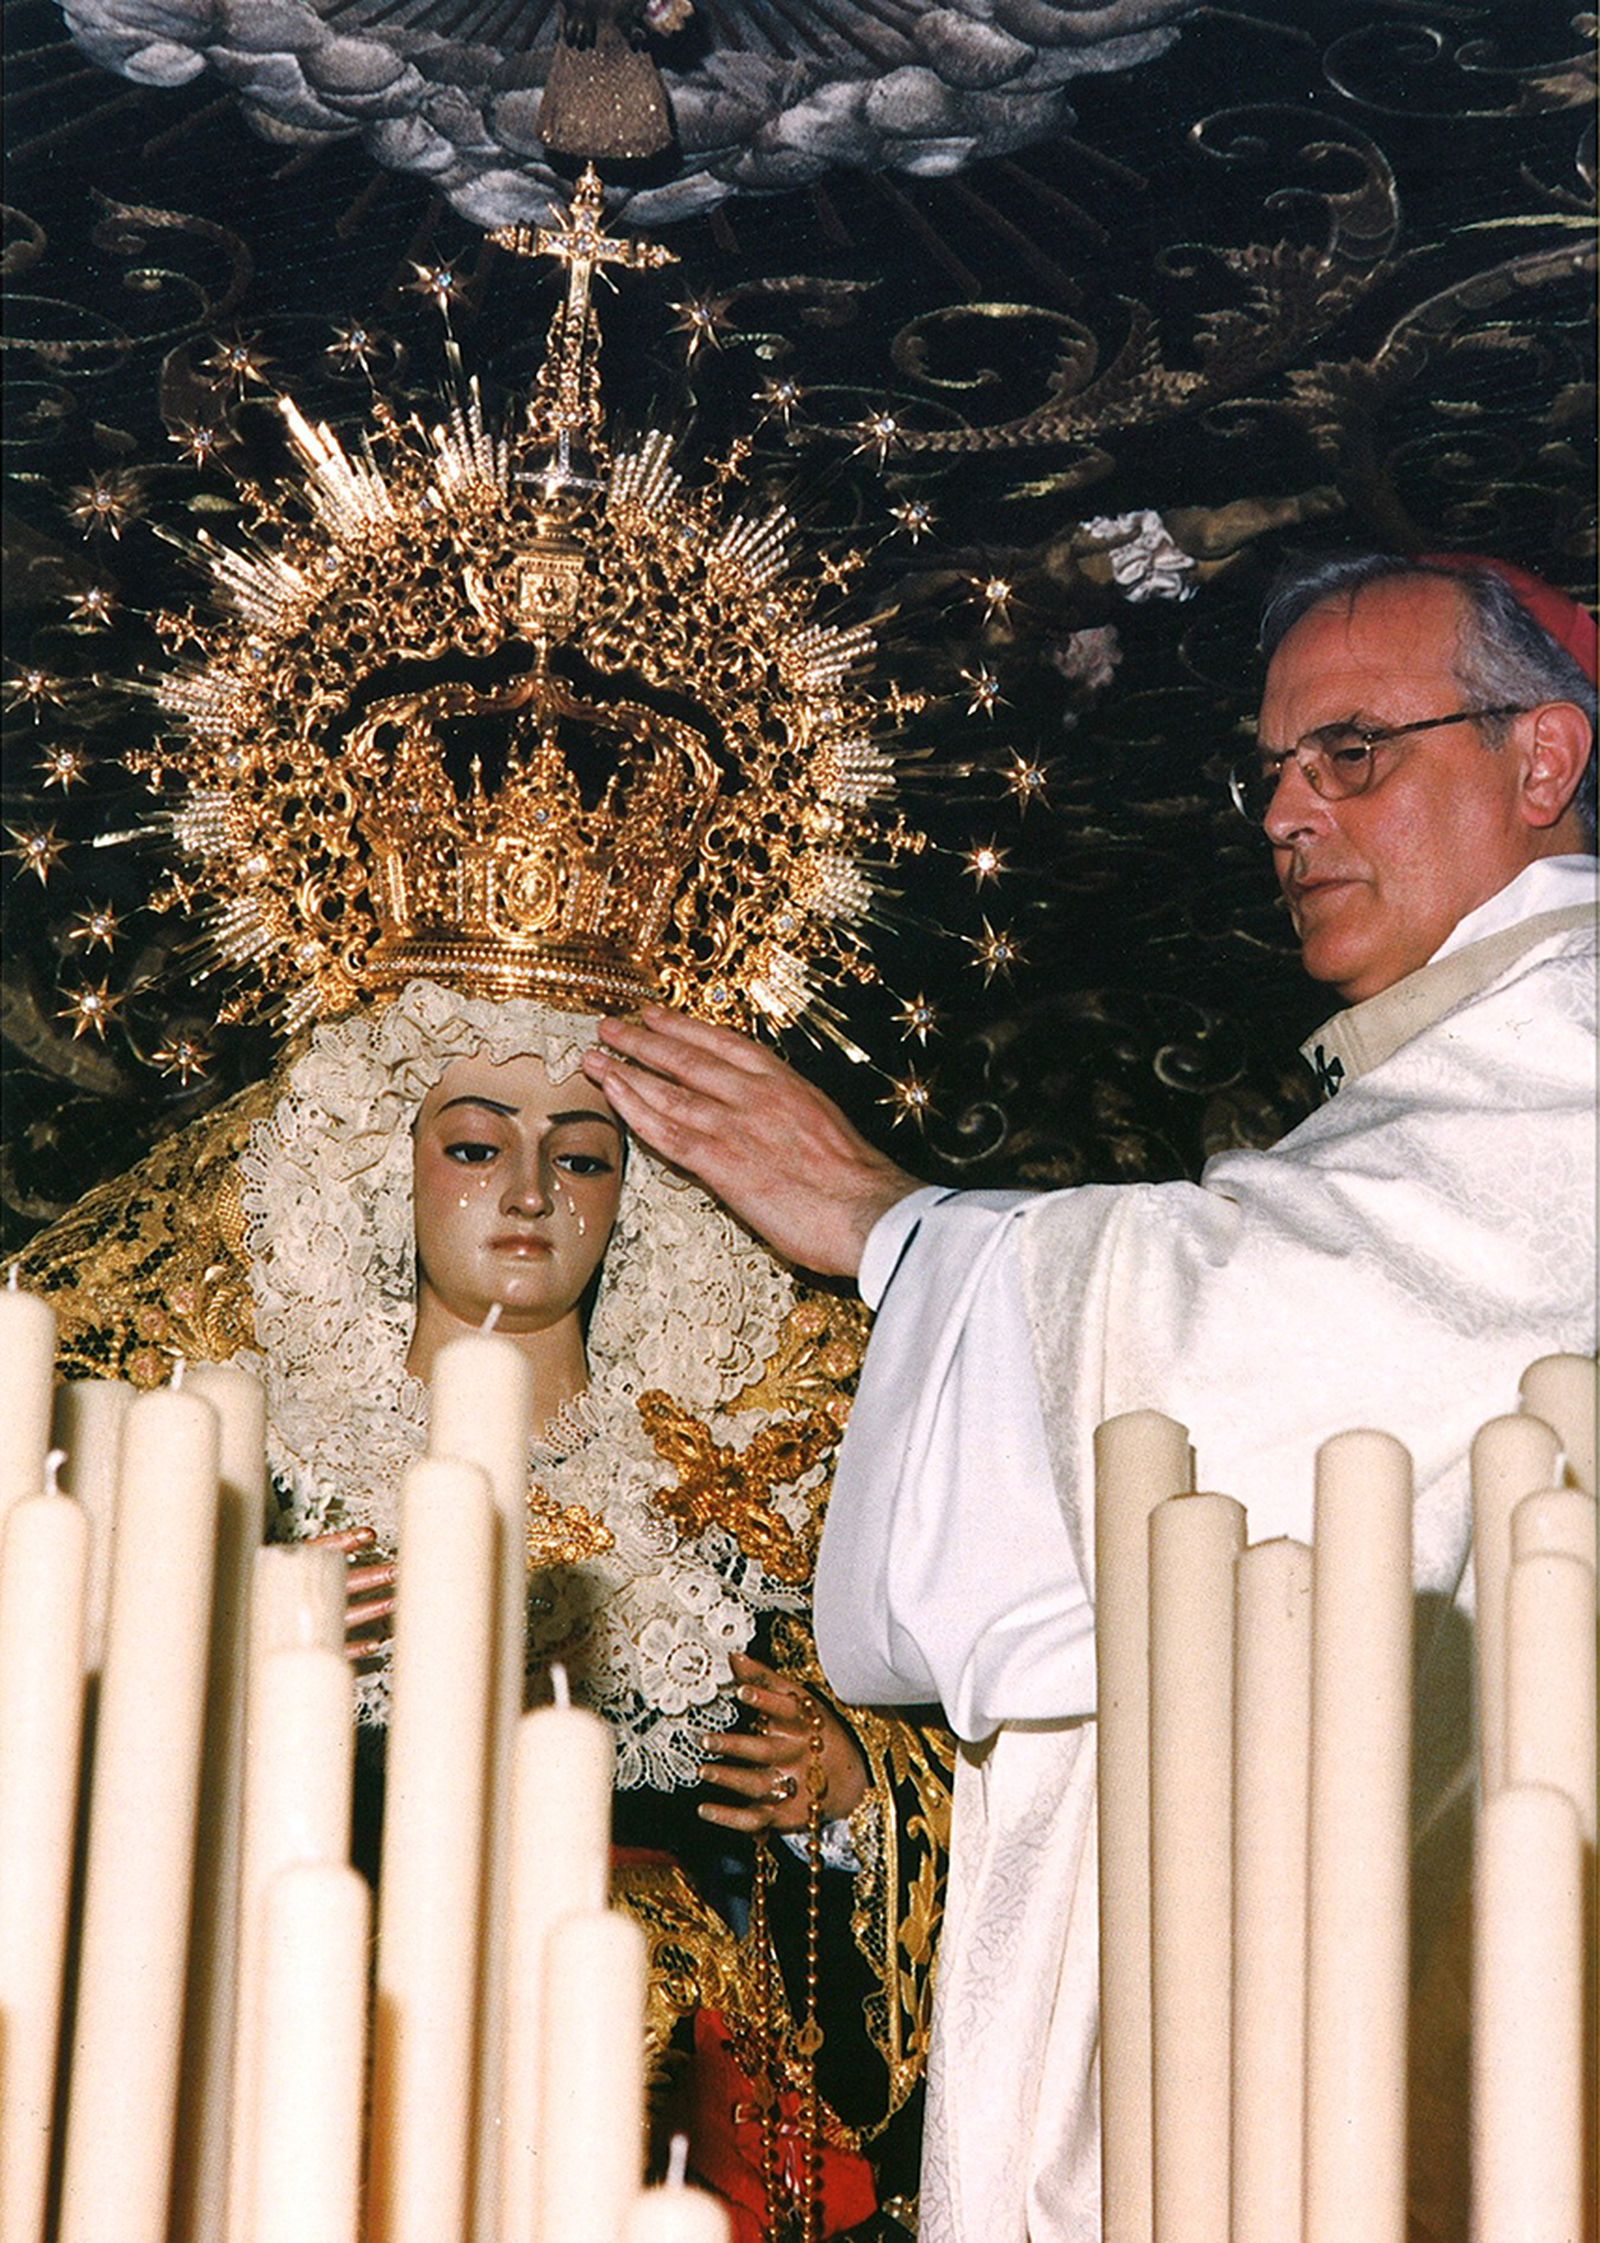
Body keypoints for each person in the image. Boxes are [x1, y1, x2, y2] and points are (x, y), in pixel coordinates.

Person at [579, 551, 1598, 2240]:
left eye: (1354, 751)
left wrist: (891, 1226)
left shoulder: (1567, 1045)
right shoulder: (1456, 1065)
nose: (1287, 812)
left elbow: (1285, 1344)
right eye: (1267, 771)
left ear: (1543, 761)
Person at [24, 976, 954, 2238]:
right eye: (474, 1145)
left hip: (674, 2063)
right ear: (377, 1162)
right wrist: (210, 1659)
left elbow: (946, 1768)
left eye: (582, 1158)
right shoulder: (246, 1463)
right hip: (301, 2008)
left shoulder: (750, 1480)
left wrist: (846, 1791)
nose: (530, 1193)